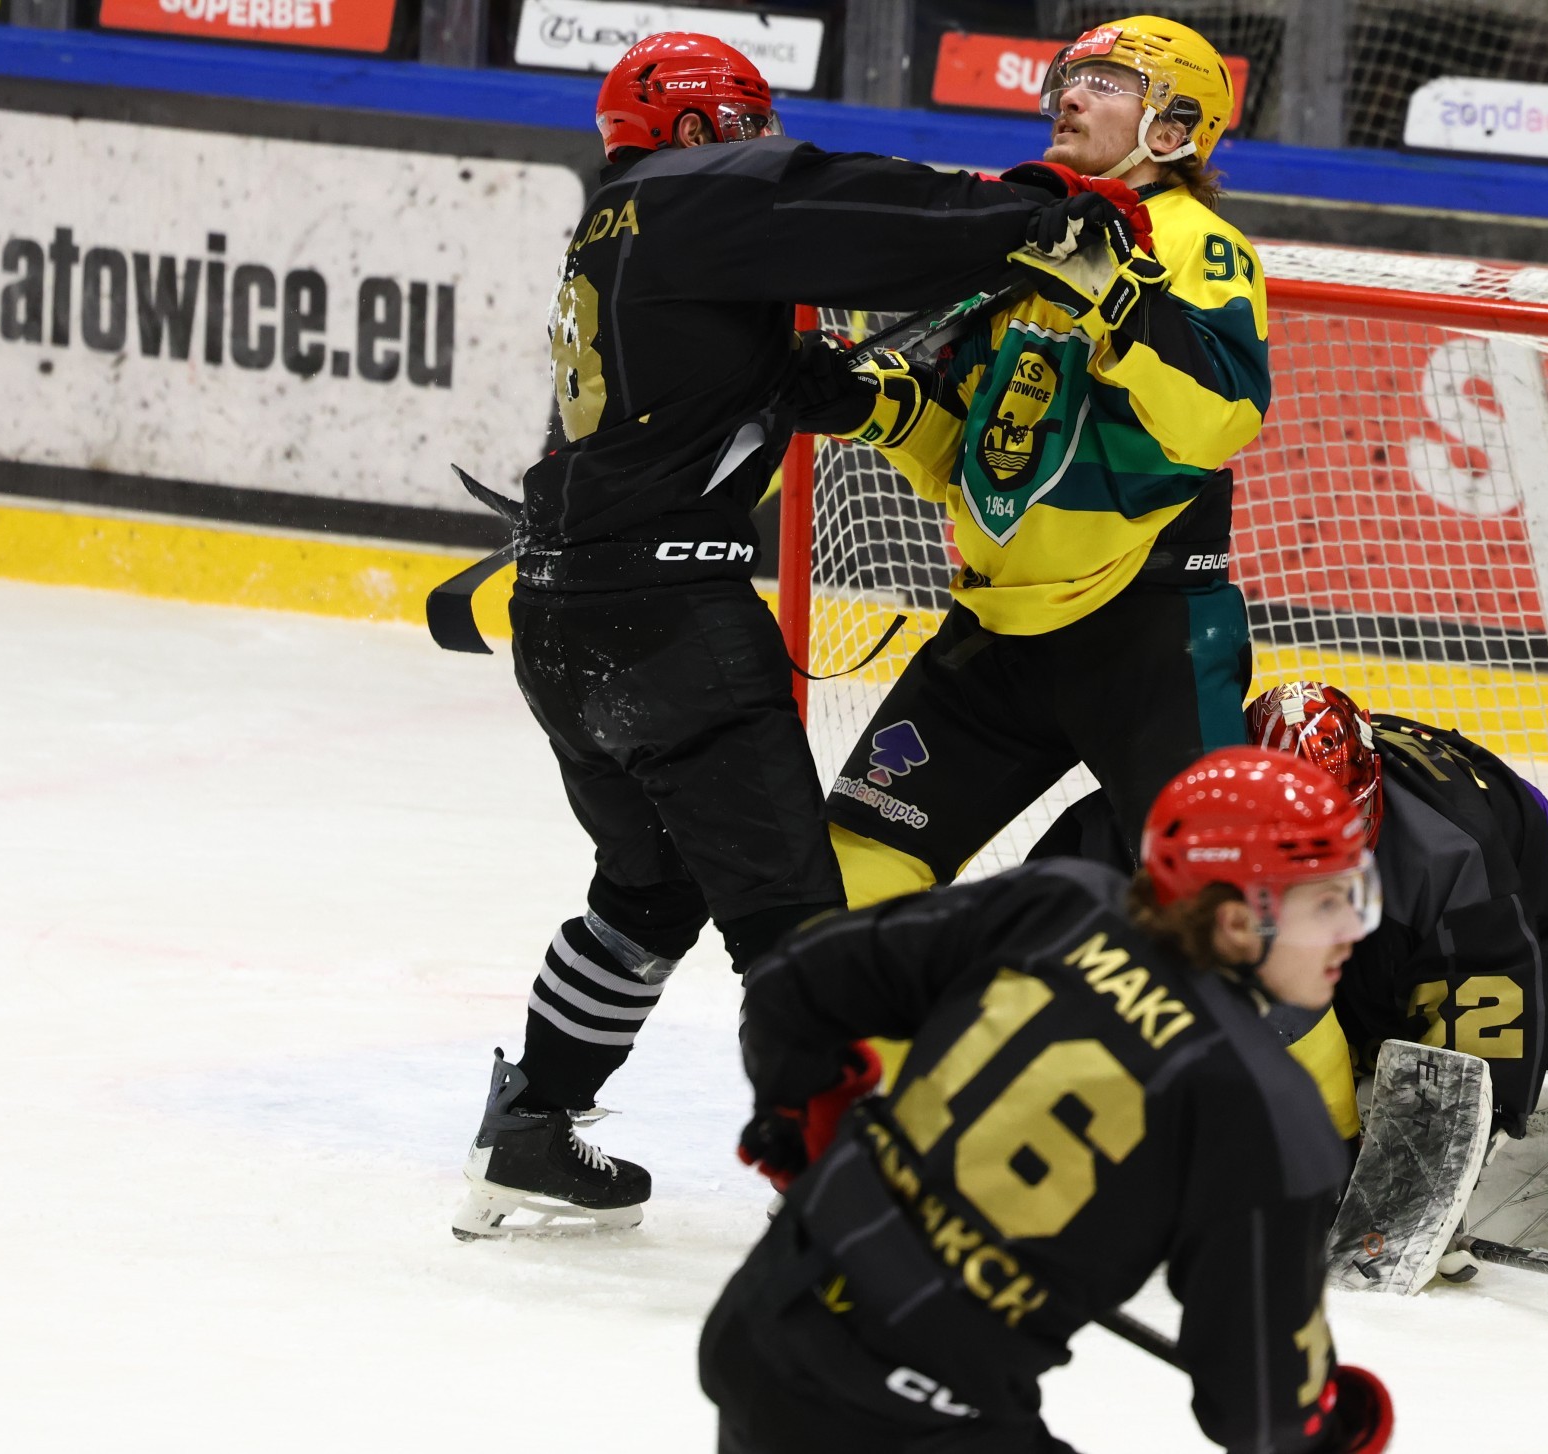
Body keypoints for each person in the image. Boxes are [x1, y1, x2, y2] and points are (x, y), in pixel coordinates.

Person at [452, 33, 1156, 1239]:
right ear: (691, 129)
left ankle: (530, 1123)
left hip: (564, 621)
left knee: (651, 888)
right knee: (798, 924)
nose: (766, 146)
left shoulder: (617, 228)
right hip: (673, 632)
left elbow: (707, 387)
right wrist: (1034, 208)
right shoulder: (693, 190)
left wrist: (803, 379)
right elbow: (861, 209)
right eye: (750, 126)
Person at [701, 749, 1394, 1453]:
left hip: (760, 1326)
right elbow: (1261, 1414)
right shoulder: (1269, 1114)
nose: (1353, 928)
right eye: (1328, 903)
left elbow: (792, 982)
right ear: (1241, 921)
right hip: (910, 1421)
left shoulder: (1058, 904)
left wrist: (798, 1119)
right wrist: (1323, 1423)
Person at [800, 15, 1271, 912]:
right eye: (1070, 79)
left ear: (1173, 127)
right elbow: (981, 459)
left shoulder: (1194, 243)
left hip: (1146, 635)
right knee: (841, 894)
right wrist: (871, 407)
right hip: (996, 630)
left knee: (1216, 908)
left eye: (1109, 82)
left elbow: (1220, 419)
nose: (1072, 96)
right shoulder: (1032, 238)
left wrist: (1114, 292)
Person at [1028, 681, 1548, 1142]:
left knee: (1478, 1100)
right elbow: (1058, 893)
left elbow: (1491, 1015)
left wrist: (1453, 1143)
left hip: (1541, 903)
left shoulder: (1449, 854)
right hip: (1396, 906)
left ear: (1372, 792)